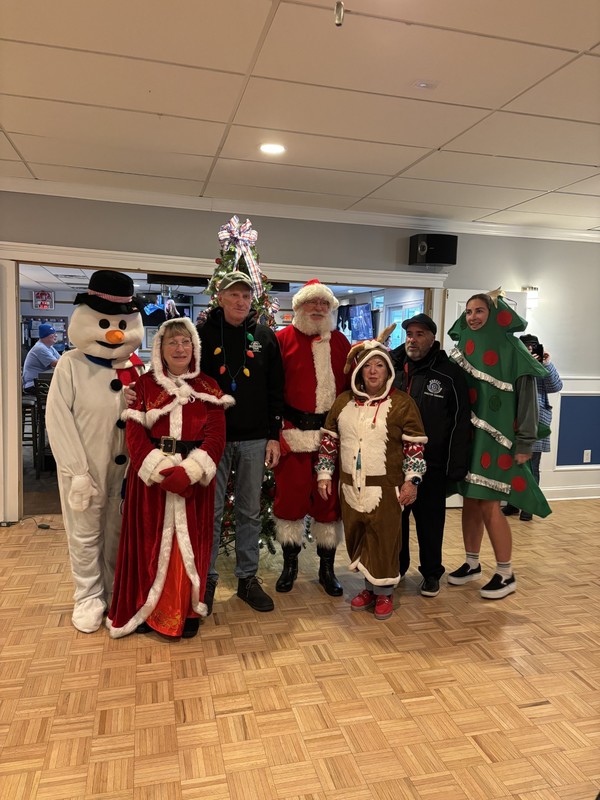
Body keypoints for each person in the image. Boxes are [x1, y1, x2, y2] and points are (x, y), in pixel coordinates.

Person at [107, 318, 231, 638]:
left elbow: (216, 437)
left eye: (185, 342)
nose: (179, 348)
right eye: (172, 342)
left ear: (195, 348)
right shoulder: (143, 386)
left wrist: (190, 471)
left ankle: (184, 609)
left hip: (194, 482)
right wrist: (161, 471)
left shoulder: (208, 388)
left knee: (187, 545)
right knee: (149, 545)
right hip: (151, 484)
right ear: (160, 348)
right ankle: (146, 610)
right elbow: (134, 435)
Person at [46, 270, 144, 633]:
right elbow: (58, 420)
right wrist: (77, 471)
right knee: (85, 534)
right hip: (84, 469)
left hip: (124, 471)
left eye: (121, 324)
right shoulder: (70, 365)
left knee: (117, 532)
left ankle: (115, 590)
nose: (114, 333)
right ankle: (87, 596)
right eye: (104, 323)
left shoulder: (136, 368)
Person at [446, 290, 551, 600]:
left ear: (494, 314)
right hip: (469, 438)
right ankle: (472, 563)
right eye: (468, 312)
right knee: (470, 499)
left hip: (499, 440)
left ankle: (506, 573)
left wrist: (525, 442)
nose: (473, 317)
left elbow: (528, 401)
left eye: (479, 310)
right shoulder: (464, 348)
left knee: (489, 503)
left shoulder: (514, 350)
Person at [316, 335, 427, 620]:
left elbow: (414, 446)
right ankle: (369, 588)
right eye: (367, 366)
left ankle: (385, 592)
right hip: (350, 486)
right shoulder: (343, 402)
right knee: (359, 538)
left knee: (385, 541)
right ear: (359, 370)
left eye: (379, 365)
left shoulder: (402, 403)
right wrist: (325, 474)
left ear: (388, 371)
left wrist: (412, 480)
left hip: (386, 488)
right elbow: (329, 441)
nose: (373, 371)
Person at [200, 271, 284, 613]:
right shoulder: (202, 335)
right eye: (234, 294)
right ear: (220, 297)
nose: (240, 301)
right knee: (211, 512)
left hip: (254, 438)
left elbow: (276, 389)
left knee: (249, 511)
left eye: (246, 296)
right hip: (212, 439)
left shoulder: (264, 336)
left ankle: (247, 579)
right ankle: (206, 579)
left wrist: (274, 435)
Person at [273, 280, 351, 596]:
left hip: (331, 438)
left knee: (328, 505)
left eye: (324, 304)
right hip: (292, 436)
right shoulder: (281, 340)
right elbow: (271, 391)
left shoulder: (341, 342)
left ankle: (327, 569)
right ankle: (289, 566)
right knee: (289, 502)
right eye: (311, 303)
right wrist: (275, 433)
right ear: (298, 307)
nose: (318, 308)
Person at [390, 313, 471, 597]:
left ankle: (431, 573)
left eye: (420, 334)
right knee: (396, 523)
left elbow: (460, 422)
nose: (412, 340)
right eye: (409, 334)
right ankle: (397, 568)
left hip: (432, 465)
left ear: (432, 338)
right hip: (395, 464)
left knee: (430, 523)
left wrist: (456, 466)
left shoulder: (449, 374)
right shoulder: (393, 368)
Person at [502, 334, 563, 521]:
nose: (529, 350)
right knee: (513, 465)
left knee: (533, 466)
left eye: (532, 347)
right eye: (525, 347)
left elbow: (556, 386)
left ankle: (528, 506)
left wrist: (545, 364)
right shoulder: (514, 364)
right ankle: (513, 503)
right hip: (514, 421)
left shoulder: (541, 366)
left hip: (538, 423)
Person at [23, 323, 61, 393]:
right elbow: (56, 363)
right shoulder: (40, 348)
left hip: (41, 382)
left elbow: (61, 359)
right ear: (44, 336)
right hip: (33, 385)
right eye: (52, 334)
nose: (56, 336)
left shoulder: (49, 347)